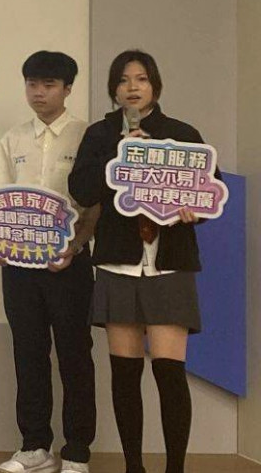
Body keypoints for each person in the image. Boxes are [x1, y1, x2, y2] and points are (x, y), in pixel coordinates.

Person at [68, 50, 206, 473]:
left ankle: (175, 468)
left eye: (141, 79)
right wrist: (120, 154)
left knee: (169, 373)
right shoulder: (99, 134)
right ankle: (134, 467)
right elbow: (81, 190)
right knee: (125, 374)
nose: (132, 87)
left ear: (155, 86)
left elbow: (209, 192)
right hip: (119, 264)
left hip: (169, 263)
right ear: (114, 89)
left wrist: (194, 210)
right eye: (124, 80)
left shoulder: (181, 134)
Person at [0, 51, 98, 473]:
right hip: (20, 267)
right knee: (28, 353)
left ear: (67, 89)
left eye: (49, 85)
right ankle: (35, 446)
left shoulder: (87, 136)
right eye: (32, 84)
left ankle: (77, 451)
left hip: (70, 263)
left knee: (75, 355)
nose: (39, 92)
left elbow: (95, 205)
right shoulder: (13, 139)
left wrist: (77, 246)